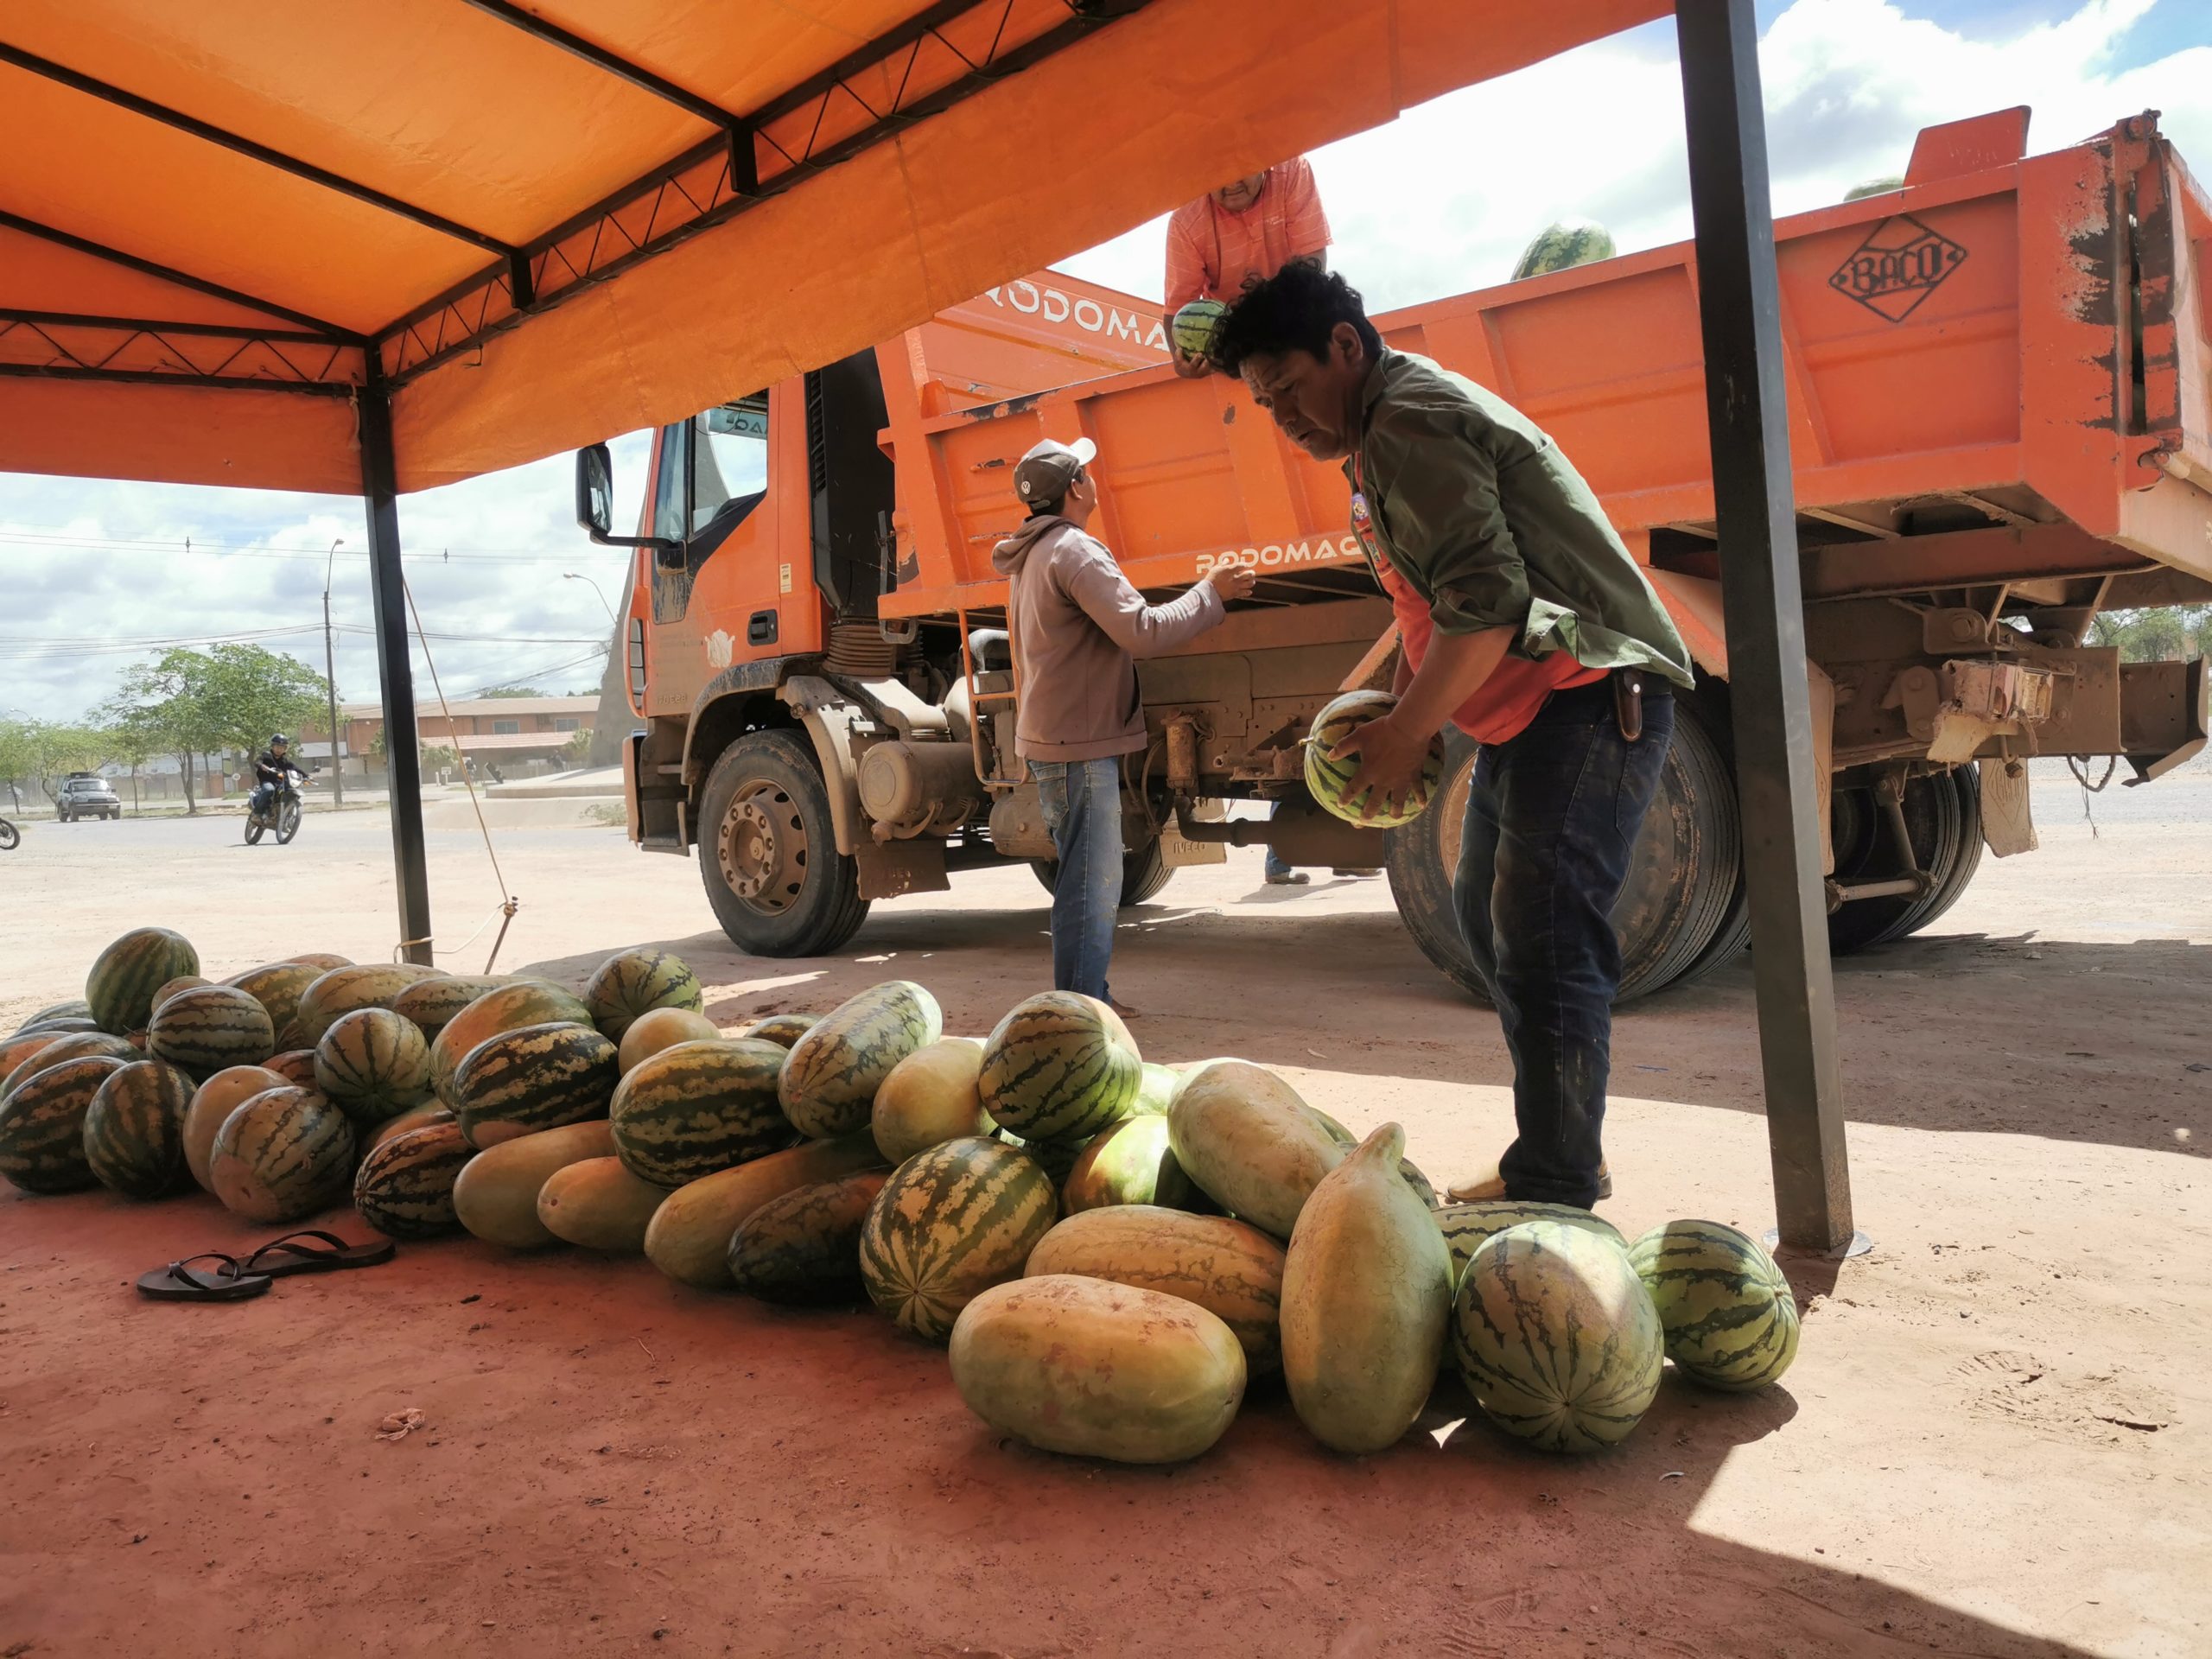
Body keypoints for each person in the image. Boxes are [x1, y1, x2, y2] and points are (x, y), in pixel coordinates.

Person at [1209, 264, 1694, 1209]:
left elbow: (1489, 602)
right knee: (1486, 914)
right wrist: (1396, 712)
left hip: (1591, 691)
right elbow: (1429, 604)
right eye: (1268, 405)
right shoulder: (1376, 434)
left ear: (1345, 347)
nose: (1287, 417)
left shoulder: (1408, 423)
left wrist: (1404, 734)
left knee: (1545, 936)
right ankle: (1556, 1157)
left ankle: (1554, 1185)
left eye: (1294, 390)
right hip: (1535, 711)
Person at [993, 438, 1257, 1014]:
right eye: (1086, 472)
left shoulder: (1036, 554)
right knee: (1091, 880)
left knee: (1082, 877)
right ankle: (1084, 1006)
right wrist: (1212, 593)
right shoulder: (1076, 552)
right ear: (1076, 489)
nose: (1094, 480)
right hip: (1078, 743)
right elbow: (1143, 631)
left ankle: (1083, 996)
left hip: (1056, 737)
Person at [1164, 156, 1371, 884]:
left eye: (1242, 168)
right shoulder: (1189, 221)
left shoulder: (1295, 178)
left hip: (1289, 331)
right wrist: (1211, 342)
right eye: (1216, 172)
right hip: (1242, 351)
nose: (1230, 185)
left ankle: (1307, 840)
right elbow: (1180, 337)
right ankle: (1306, 839)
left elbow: (1312, 278)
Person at [250, 734, 297, 818]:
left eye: (282, 748)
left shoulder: (285, 761)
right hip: (267, 781)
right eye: (277, 747)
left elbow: (295, 769)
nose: (280, 750)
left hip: (280, 783)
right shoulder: (266, 755)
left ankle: (287, 817)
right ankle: (257, 813)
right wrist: (262, 766)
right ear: (272, 746)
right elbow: (257, 761)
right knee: (269, 790)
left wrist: (307, 776)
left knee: (291, 792)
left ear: (285, 749)